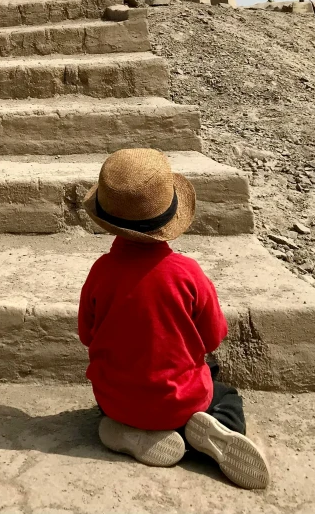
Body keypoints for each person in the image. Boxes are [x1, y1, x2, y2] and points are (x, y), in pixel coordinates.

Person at [79, 148, 270, 490]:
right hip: (180, 399)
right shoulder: (188, 274)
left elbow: (87, 335)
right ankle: (204, 429)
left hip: (116, 398)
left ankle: (124, 429)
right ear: (169, 218)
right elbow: (212, 339)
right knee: (225, 393)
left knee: (113, 398)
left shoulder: (100, 273)